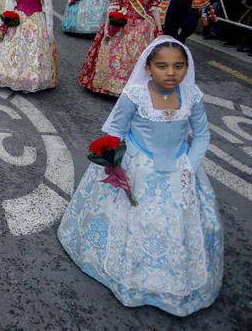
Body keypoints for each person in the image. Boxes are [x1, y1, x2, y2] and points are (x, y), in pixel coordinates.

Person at [58, 37, 223, 317]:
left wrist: (189, 167)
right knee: (132, 219)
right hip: (138, 167)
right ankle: (126, 272)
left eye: (179, 66)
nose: (171, 73)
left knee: (178, 225)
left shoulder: (192, 96)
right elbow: (117, 130)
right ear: (148, 68)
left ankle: (174, 278)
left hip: (179, 168)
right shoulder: (136, 94)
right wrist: (117, 162)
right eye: (162, 66)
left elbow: (202, 135)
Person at [79, 0, 161, 96]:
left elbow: (154, 7)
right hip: (124, 24)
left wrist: (159, 28)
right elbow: (114, 5)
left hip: (144, 27)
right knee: (115, 56)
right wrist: (106, 27)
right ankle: (112, 86)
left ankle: (135, 88)